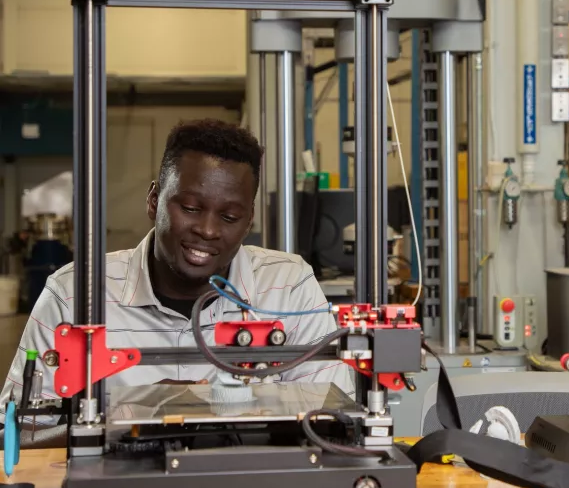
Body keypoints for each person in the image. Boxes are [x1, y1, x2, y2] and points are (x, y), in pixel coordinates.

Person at [1, 119, 352, 421]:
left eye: (230, 217)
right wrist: (135, 410)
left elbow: (334, 414)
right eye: (191, 208)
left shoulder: (288, 286)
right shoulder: (74, 294)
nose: (208, 230)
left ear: (249, 221)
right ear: (154, 201)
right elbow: (16, 428)